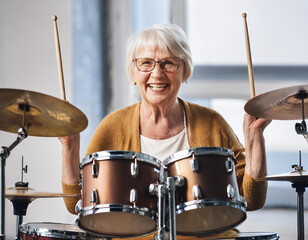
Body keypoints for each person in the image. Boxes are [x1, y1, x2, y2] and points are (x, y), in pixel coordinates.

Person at [59, 23, 271, 239]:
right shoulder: (112, 126)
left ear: (185, 71)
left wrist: (255, 138)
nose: (157, 73)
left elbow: (252, 200)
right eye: (146, 63)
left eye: (169, 63)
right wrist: (70, 147)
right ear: (133, 72)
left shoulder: (212, 122)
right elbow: (74, 203)